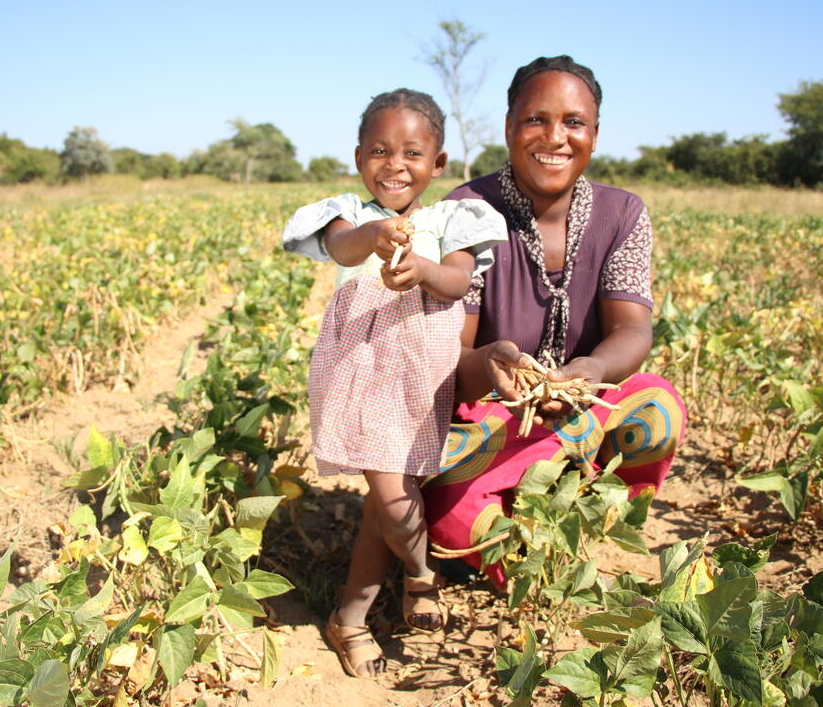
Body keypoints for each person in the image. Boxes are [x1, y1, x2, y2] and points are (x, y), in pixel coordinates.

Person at [423, 56, 687, 587]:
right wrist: (497, 371)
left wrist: (588, 371)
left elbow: (633, 329)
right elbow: (447, 356)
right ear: (508, 128)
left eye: (573, 122)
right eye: (535, 120)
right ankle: (528, 550)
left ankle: (586, 519)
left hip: (584, 409)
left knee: (658, 410)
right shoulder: (466, 210)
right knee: (449, 509)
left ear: (594, 134)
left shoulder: (623, 214)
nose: (555, 137)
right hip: (492, 420)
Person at [282, 88, 507, 678]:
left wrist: (423, 270)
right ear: (360, 158)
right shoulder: (348, 215)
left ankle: (349, 617)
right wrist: (375, 237)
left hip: (422, 376)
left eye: (412, 152)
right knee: (389, 492)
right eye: (380, 150)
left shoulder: (454, 219)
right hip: (361, 371)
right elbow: (342, 247)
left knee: (388, 505)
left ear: (437, 165)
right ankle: (421, 577)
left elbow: (458, 283)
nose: (395, 164)